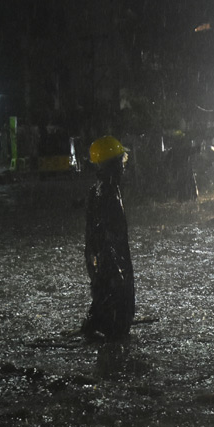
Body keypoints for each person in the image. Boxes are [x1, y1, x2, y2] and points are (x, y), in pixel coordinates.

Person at [82, 136, 135, 340]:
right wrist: (116, 268)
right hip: (110, 259)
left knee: (103, 293)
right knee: (118, 316)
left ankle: (95, 325)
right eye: (121, 161)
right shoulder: (108, 193)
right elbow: (107, 233)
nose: (124, 166)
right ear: (112, 163)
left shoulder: (98, 189)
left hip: (102, 258)